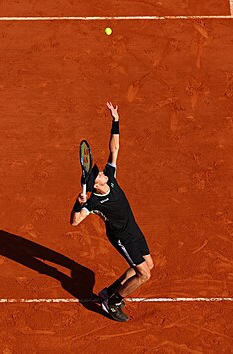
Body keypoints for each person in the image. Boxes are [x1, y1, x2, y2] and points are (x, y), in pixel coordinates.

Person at [70, 102, 154, 322]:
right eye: (97, 175)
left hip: (133, 229)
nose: (101, 172)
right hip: (121, 237)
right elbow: (75, 222)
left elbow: (114, 148)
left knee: (148, 265)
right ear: (95, 185)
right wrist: (78, 203)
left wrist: (115, 120)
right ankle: (113, 301)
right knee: (143, 274)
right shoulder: (95, 201)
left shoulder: (110, 176)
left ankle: (108, 292)